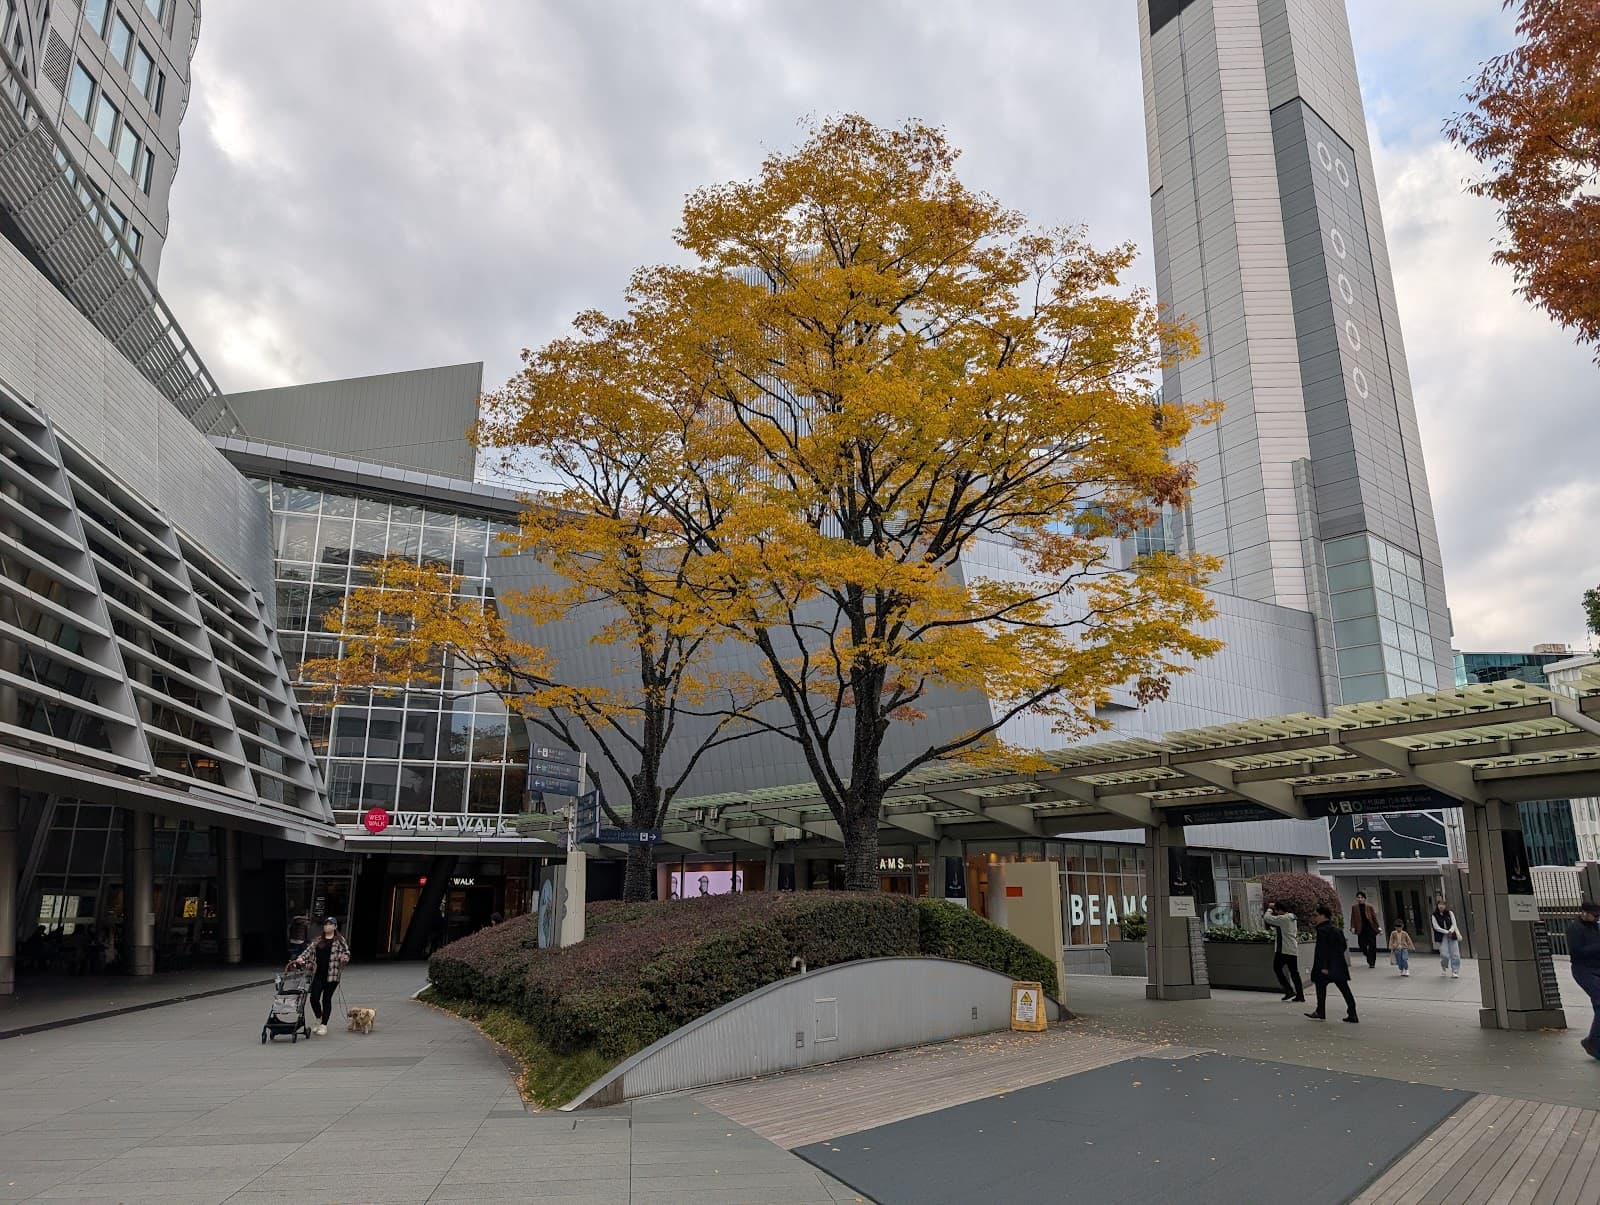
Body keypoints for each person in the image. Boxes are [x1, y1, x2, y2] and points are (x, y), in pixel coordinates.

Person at [289, 917, 350, 1036]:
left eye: (330, 924)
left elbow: (346, 952)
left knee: (326, 999)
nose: (327, 926)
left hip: (332, 975)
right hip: (317, 973)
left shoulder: (339, 940)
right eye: (326, 924)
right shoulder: (318, 940)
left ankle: (324, 1025)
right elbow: (308, 951)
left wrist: (345, 958)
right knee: (313, 998)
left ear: (335, 927)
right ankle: (319, 1017)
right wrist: (301, 958)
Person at [1306, 905, 1358, 1023]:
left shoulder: (1322, 930)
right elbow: (1343, 946)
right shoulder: (1336, 930)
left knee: (1320, 987)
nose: (1315, 918)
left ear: (1323, 916)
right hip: (1338, 964)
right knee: (1344, 989)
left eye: (1316, 915)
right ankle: (1352, 1013)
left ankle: (1320, 1011)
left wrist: (1324, 966)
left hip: (1325, 966)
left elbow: (1322, 950)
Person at [1565, 900, 1600, 1059]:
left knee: (1598, 1005)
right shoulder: (1575, 928)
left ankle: (1595, 1041)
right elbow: (1577, 951)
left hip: (1596, 967)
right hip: (1583, 970)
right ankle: (1592, 1041)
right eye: (1595, 915)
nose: (1597, 918)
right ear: (1584, 913)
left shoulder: (1595, 926)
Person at [1264, 901, 1304, 1002]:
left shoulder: (1283, 918)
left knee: (1277, 968)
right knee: (1294, 973)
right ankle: (1300, 995)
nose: (1276, 913)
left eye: (1276, 911)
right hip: (1292, 948)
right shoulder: (1291, 917)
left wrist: (1269, 908)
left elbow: (1267, 918)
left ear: (1279, 910)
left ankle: (1289, 990)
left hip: (1283, 949)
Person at [1430, 898, 1463, 978]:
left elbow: (1454, 924)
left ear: (1445, 906)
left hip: (1452, 934)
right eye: (1439, 904)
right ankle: (1444, 967)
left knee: (1455, 954)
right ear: (1437, 905)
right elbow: (1436, 927)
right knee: (1444, 954)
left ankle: (1455, 971)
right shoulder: (1434, 915)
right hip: (1442, 936)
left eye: (1443, 904)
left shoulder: (1450, 913)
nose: (1441, 906)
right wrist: (1446, 932)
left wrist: (1451, 931)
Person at [1350, 891, 1380, 969]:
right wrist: (1352, 927)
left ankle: (1372, 962)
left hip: (1370, 928)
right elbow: (1353, 918)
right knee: (1362, 945)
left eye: (1361, 897)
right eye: (1358, 897)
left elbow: (1374, 918)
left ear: (1365, 899)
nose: (1360, 899)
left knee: (1372, 945)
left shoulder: (1369, 907)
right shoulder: (1354, 907)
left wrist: (1379, 928)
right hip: (1361, 929)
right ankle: (1368, 956)